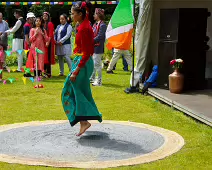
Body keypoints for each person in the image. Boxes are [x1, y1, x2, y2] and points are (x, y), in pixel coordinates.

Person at [61, 0, 102, 136]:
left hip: (82, 64)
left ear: (80, 14)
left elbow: (86, 53)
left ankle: (85, 121)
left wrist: (76, 70)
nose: (71, 16)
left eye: (73, 14)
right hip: (81, 62)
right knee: (78, 92)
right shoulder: (83, 24)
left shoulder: (84, 28)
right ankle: (84, 120)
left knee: (69, 91)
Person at [90, 8, 107, 86]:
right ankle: (92, 78)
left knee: (97, 65)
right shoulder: (95, 24)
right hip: (94, 46)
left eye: (95, 14)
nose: (94, 15)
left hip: (98, 47)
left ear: (99, 15)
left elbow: (100, 36)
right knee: (93, 64)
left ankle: (99, 81)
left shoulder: (102, 25)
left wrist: (91, 41)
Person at [42, 12, 55, 78]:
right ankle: (44, 72)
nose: (44, 17)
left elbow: (50, 34)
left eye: (46, 16)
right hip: (44, 43)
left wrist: (48, 42)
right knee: (44, 58)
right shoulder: (43, 24)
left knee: (48, 58)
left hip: (48, 43)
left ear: (48, 17)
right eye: (43, 16)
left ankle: (48, 73)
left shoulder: (50, 24)